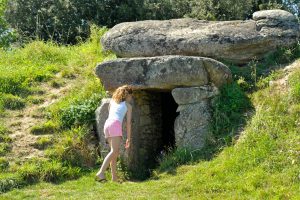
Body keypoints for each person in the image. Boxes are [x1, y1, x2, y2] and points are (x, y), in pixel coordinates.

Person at [96, 85, 133, 182]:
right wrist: (129, 138)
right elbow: (129, 123)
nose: (131, 98)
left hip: (107, 125)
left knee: (114, 152)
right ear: (127, 95)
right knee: (114, 151)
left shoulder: (112, 102)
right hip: (115, 125)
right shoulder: (128, 106)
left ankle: (114, 178)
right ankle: (101, 172)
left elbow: (111, 114)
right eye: (131, 96)